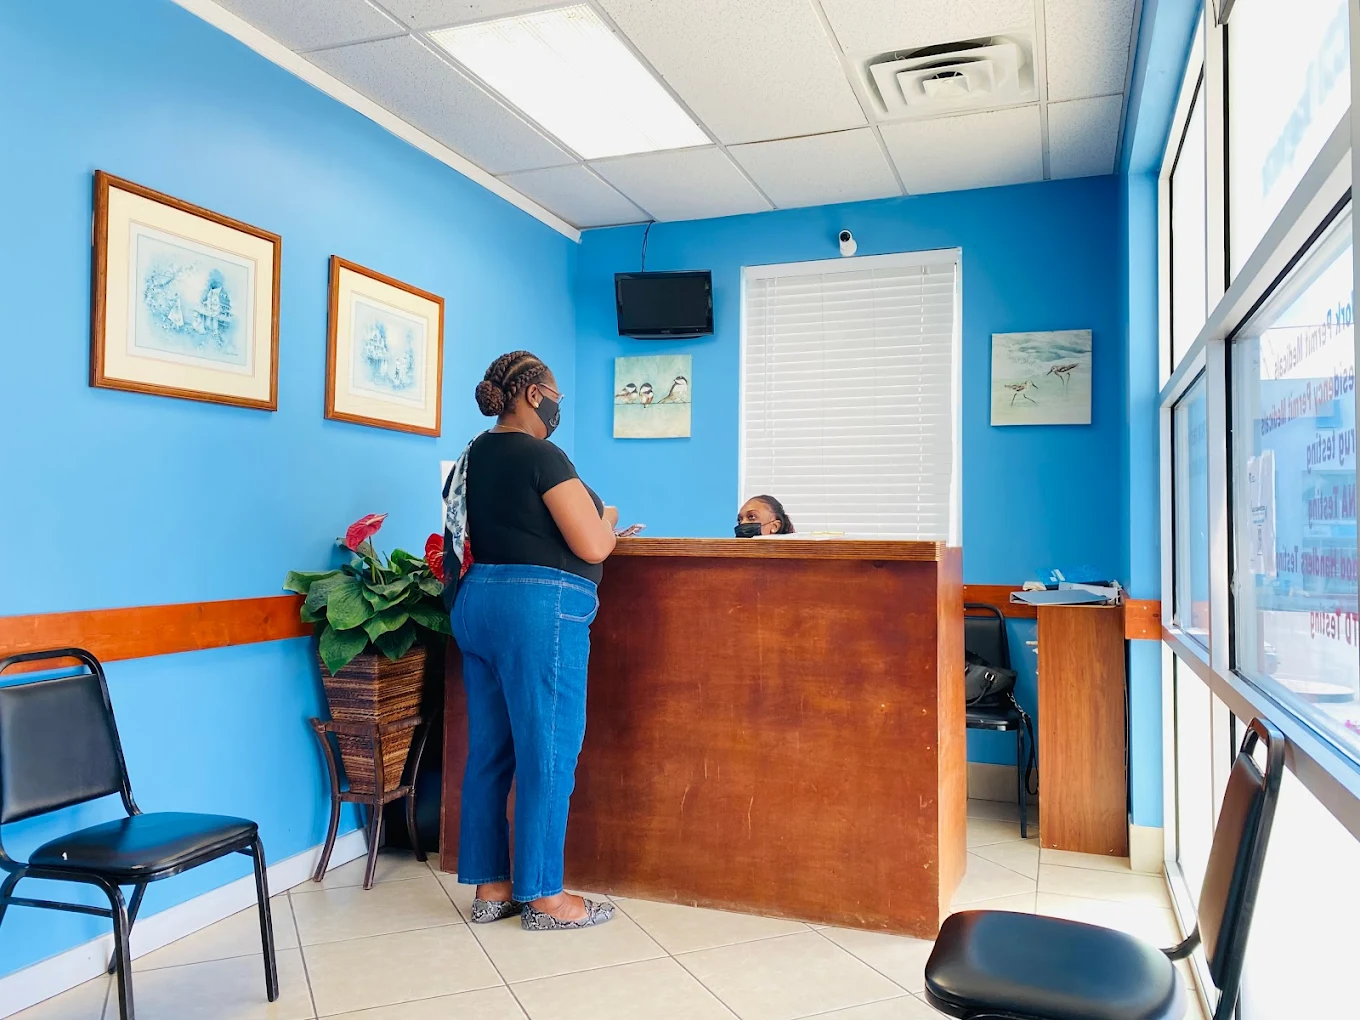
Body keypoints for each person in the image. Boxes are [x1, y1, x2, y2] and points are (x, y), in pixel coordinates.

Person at [443, 351, 619, 931]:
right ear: (532, 394)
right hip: (538, 609)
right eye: (556, 396)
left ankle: (491, 888)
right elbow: (592, 545)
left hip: (478, 603)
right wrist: (610, 519)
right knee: (547, 751)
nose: (557, 407)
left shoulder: (471, 457)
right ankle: (544, 896)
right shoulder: (542, 455)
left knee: (492, 750)